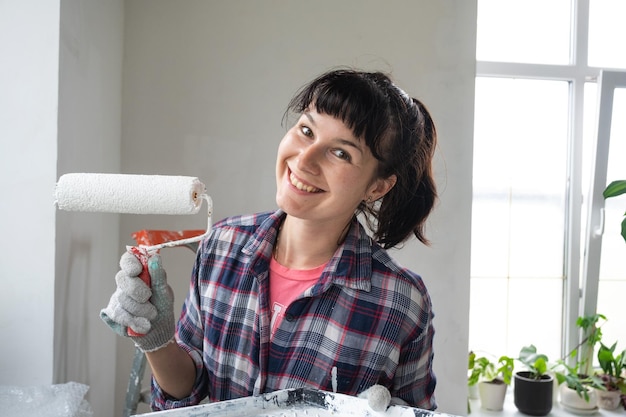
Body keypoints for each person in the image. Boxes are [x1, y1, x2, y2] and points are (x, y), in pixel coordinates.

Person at [101, 67, 438, 411]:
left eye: (341, 153)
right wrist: (157, 342)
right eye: (307, 130)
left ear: (377, 187)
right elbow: (189, 387)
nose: (304, 160)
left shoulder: (401, 302)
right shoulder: (222, 245)